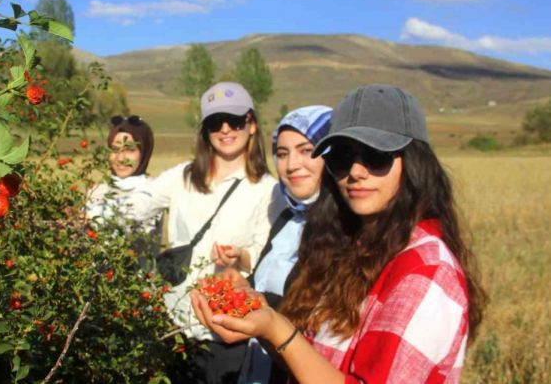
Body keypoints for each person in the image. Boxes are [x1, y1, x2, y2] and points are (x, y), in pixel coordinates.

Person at [192, 84, 487, 384]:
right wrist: (261, 319)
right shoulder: (354, 246)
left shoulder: (425, 270)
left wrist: (275, 328)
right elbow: (311, 366)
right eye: (342, 157)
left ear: (414, 162)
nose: (356, 172)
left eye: (375, 155)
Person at [125, 82, 281, 383]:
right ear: (205, 131)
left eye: (234, 120)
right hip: (173, 323)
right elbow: (136, 206)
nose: (225, 129)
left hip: (225, 334)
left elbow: (266, 252)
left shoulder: (266, 190)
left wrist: (240, 257)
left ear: (251, 125)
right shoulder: (183, 176)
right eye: (214, 122)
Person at [239, 105, 332, 383]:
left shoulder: (346, 234)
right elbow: (264, 290)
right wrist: (241, 287)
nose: (291, 165)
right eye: (282, 153)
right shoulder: (286, 220)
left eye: (306, 150)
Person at [85, 115, 159, 236]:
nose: (121, 158)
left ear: (145, 151)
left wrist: (90, 218)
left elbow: (130, 220)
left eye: (130, 150)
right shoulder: (96, 192)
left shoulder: (155, 190)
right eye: (115, 149)